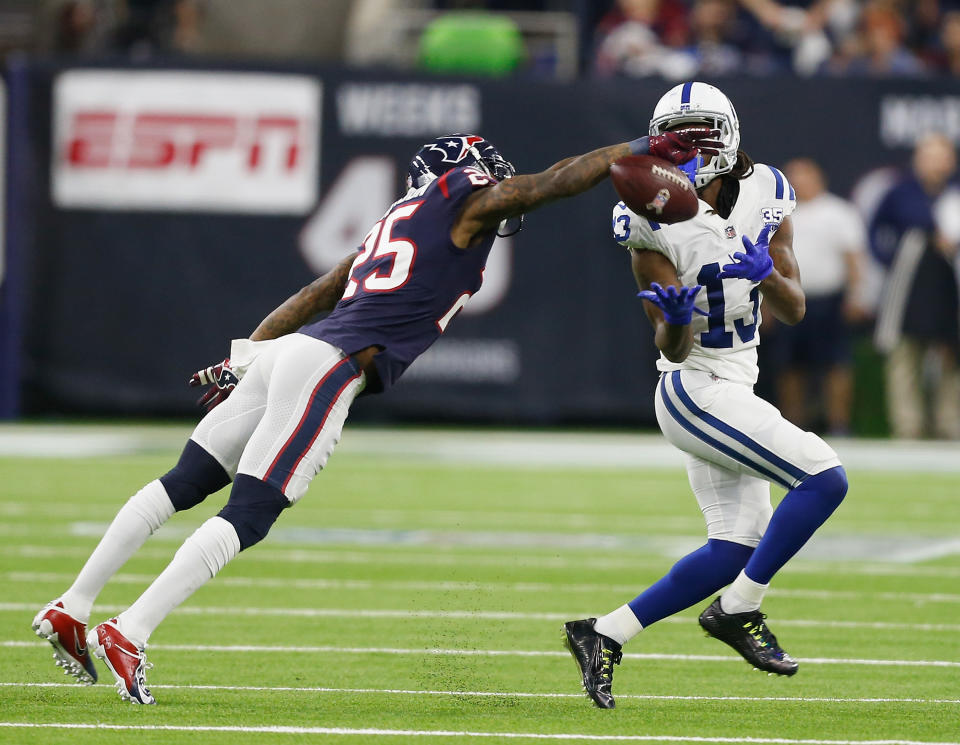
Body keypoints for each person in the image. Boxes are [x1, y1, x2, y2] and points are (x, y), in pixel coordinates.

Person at [31, 128, 721, 704]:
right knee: (249, 512)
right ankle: (133, 629)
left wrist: (244, 357)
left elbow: (312, 294)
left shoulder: (393, 222)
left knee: (182, 481)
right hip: (329, 366)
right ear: (457, 176)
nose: (496, 184)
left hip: (288, 353)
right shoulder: (460, 203)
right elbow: (551, 182)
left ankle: (72, 603)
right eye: (485, 175)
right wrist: (634, 145)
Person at [563, 81, 849, 709]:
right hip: (694, 387)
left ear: (729, 135)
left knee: (733, 548)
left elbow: (796, 309)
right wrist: (674, 315)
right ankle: (738, 610)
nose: (689, 147)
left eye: (700, 132)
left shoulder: (770, 191)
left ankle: (603, 633)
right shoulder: (644, 216)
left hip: (737, 383)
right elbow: (671, 347)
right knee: (825, 478)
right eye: (678, 135)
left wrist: (766, 273)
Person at [870, 133, 960, 440]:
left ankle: (950, 424)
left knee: (951, 354)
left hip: (950, 281)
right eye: (930, 156)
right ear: (918, 159)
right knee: (905, 352)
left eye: (943, 156)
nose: (937, 163)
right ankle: (908, 426)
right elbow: (874, 229)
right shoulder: (900, 191)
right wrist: (890, 259)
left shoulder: (954, 191)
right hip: (911, 281)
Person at [771, 157, 870, 435]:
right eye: (794, 177)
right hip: (788, 297)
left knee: (836, 364)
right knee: (789, 365)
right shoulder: (779, 214)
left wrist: (856, 296)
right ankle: (791, 425)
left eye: (805, 176)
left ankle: (839, 424)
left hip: (829, 300)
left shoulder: (838, 212)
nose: (799, 183)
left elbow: (853, 258)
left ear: (818, 178)